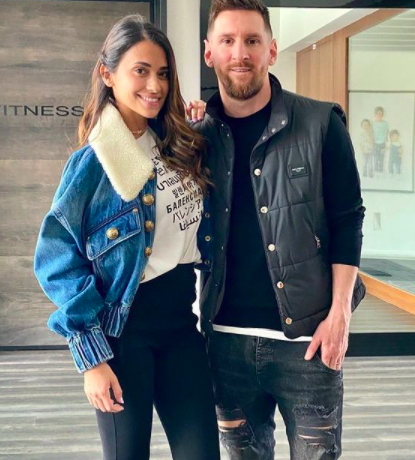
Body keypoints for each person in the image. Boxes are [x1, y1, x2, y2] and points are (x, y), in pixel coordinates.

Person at [33, 15, 220, 460]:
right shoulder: (94, 162)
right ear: (107, 73)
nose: (155, 85)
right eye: (141, 70)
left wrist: (200, 122)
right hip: (122, 335)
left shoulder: (178, 144)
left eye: (163, 73)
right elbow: (55, 258)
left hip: (181, 326)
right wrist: (92, 359)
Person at [191, 0, 366, 459]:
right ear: (209, 52)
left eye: (252, 40)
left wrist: (341, 316)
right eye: (228, 41)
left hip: (308, 344)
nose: (240, 53)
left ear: (271, 50)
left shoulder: (321, 123)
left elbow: (348, 220)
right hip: (225, 342)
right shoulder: (196, 138)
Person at [372, 106, 389, 173]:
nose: (380, 115)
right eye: (378, 114)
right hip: (375, 143)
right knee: (376, 157)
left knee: (381, 158)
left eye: (381, 114)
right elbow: (372, 132)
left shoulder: (385, 123)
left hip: (382, 143)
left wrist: (386, 142)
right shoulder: (373, 123)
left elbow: (387, 132)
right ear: (376, 114)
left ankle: (380, 171)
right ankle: (376, 171)